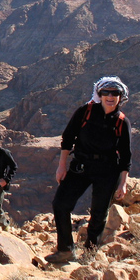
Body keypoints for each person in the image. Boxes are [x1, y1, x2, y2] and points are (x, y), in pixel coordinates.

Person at [45, 76, 132, 263]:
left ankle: (90, 255)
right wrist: (61, 166)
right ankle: (66, 250)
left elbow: (125, 155)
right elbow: (68, 138)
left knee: (99, 213)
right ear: (99, 95)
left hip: (108, 171)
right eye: (106, 93)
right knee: (60, 203)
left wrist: (123, 182)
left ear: (120, 97)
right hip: (81, 165)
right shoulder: (85, 112)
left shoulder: (122, 122)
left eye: (115, 93)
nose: (110, 96)